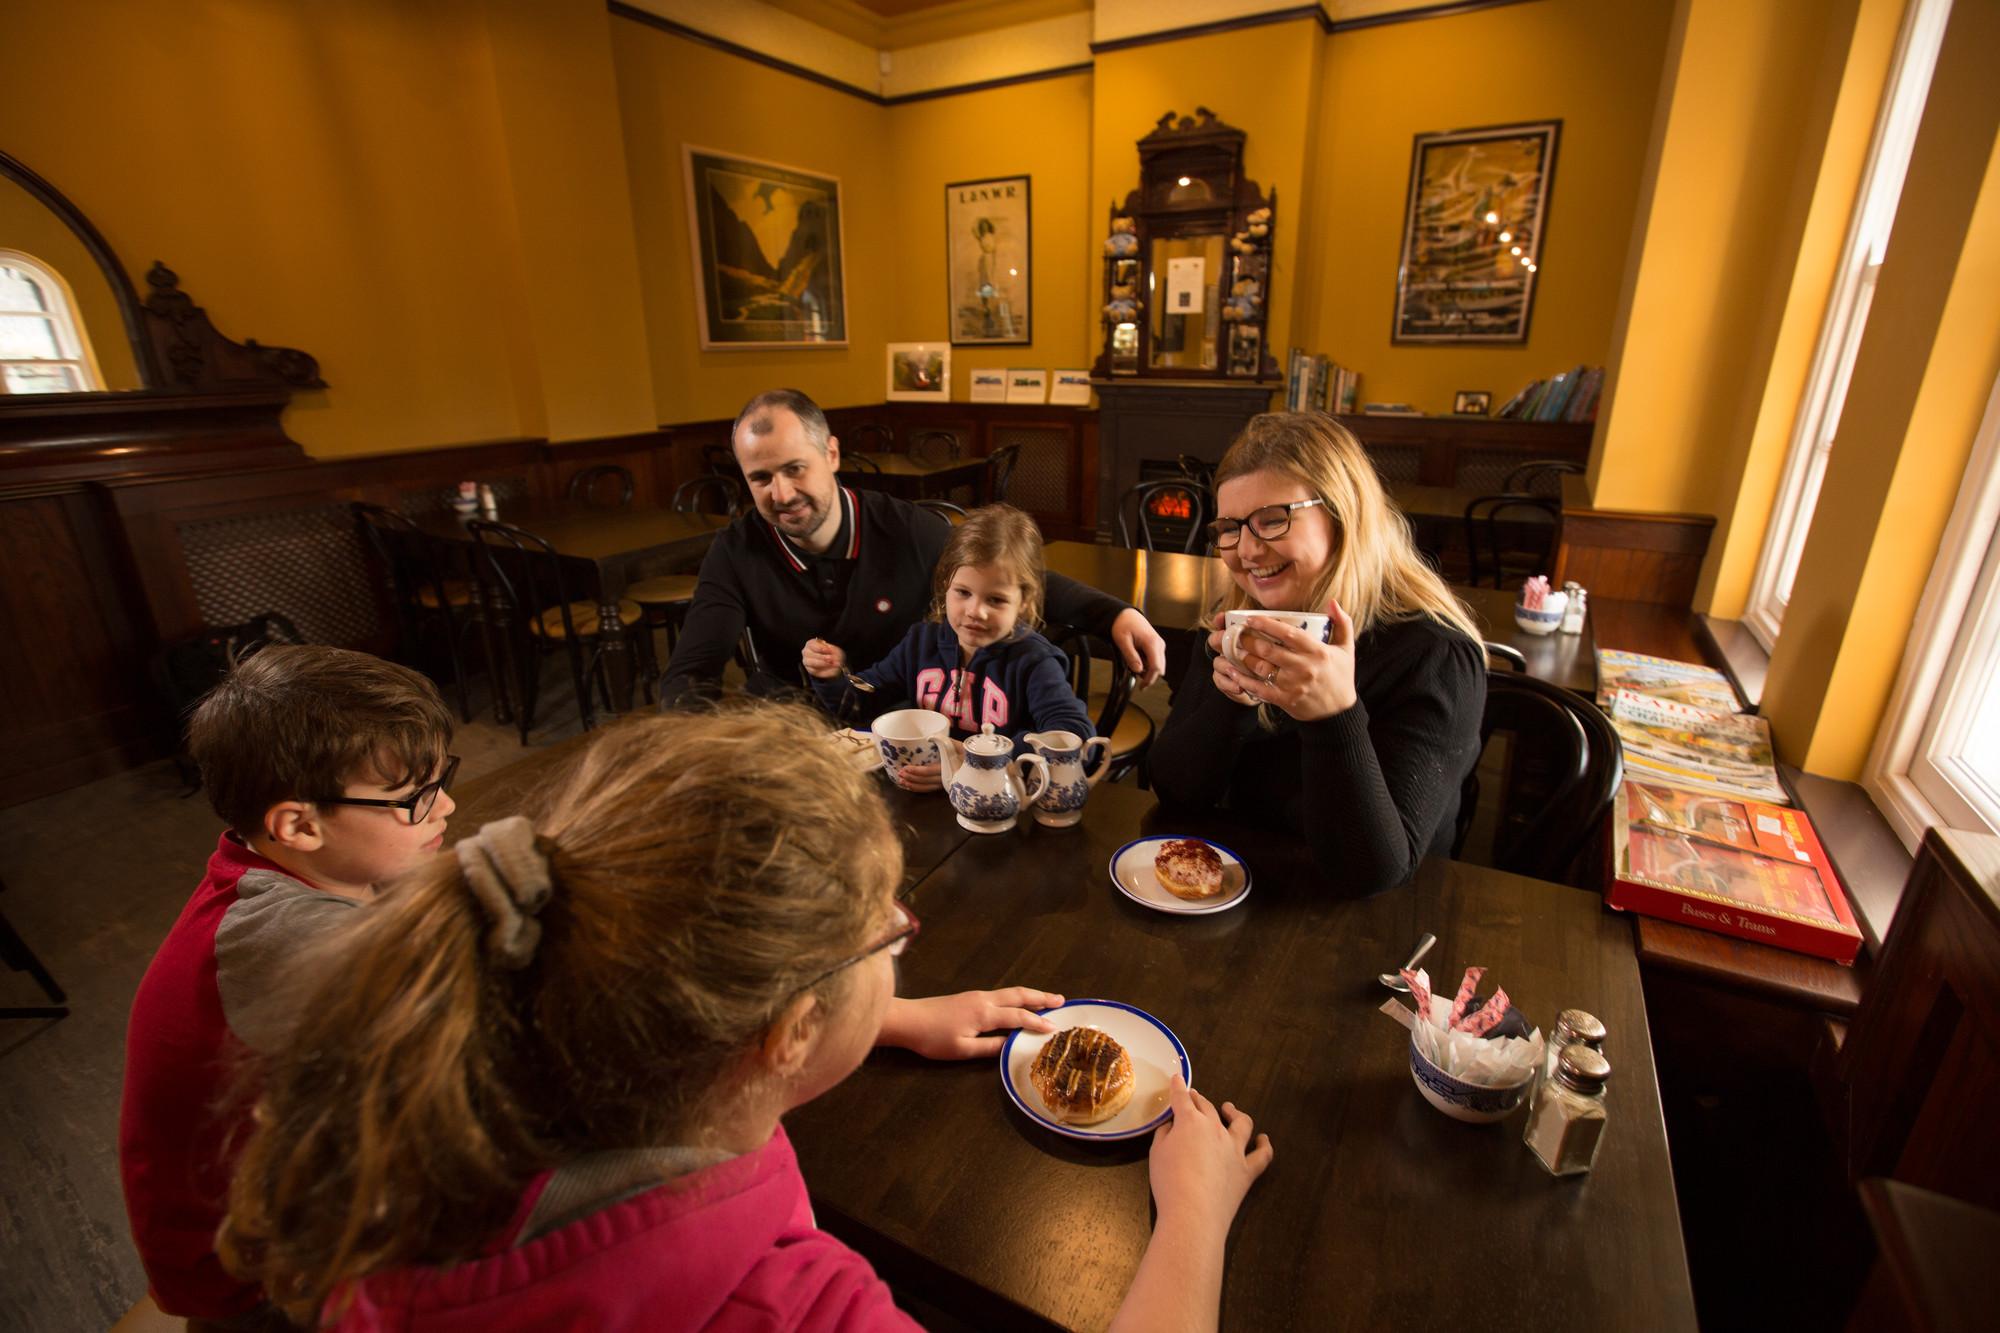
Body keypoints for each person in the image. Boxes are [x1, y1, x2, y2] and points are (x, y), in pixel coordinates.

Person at [218, 706, 1272, 1330]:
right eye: (888, 933)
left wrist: (889, 1018)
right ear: (784, 1029)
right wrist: (1193, 1215)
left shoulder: (466, 1105)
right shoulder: (784, 1308)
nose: (901, 935)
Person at [119, 646, 459, 1326]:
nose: (448, 804)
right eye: (416, 799)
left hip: (277, 1217)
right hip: (260, 1282)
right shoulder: (288, 939)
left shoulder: (268, 870)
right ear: (298, 825)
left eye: (441, 777)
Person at [1150, 412, 1486, 895]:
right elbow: (1176, 793)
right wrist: (1233, 700)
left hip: (1377, 927)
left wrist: (1333, 717)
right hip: (1241, 893)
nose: (1245, 550)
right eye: (1230, 527)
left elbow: (1370, 872)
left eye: (1271, 521)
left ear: (1343, 516)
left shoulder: (1435, 656)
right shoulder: (1242, 620)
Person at [658, 389, 1166, 708]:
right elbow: (690, 676)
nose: (782, 494)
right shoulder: (735, 550)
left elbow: (1007, 578)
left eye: (795, 469)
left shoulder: (904, 529)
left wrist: (1116, 614)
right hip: (796, 723)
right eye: (761, 478)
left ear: (830, 454)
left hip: (900, 718)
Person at [804, 503, 1093, 747]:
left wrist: (975, 756)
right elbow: (858, 704)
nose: (975, 611)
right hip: (922, 796)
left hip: (999, 800)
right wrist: (831, 677)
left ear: (1025, 601)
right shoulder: (921, 643)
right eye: (963, 592)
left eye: (995, 600)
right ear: (946, 586)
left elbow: (1073, 736)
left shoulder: (1034, 661)